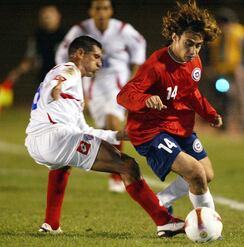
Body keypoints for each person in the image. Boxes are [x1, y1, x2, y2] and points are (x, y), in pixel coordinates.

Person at [25, 36, 184, 237]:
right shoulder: (69, 70)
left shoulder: (73, 91)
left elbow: (83, 130)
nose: (100, 63)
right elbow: (61, 78)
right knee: (127, 166)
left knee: (63, 163)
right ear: (80, 54)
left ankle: (51, 224)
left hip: (37, 142)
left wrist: (119, 135)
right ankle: (165, 221)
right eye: (96, 56)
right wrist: (58, 86)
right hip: (57, 137)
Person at [117, 0, 222, 216]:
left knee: (207, 174)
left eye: (198, 45)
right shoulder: (155, 66)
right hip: (151, 130)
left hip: (177, 125)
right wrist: (145, 99)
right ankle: (209, 226)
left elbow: (190, 92)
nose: (193, 50)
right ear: (175, 37)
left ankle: (161, 201)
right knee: (195, 172)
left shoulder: (194, 62)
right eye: (189, 43)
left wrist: (209, 113)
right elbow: (124, 95)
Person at [56, 0, 146, 193]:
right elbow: (62, 55)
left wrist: (133, 81)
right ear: (91, 11)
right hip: (92, 85)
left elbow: (140, 49)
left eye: (105, 8)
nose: (101, 12)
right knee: (104, 129)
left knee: (113, 123)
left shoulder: (123, 29)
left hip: (118, 85)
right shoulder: (80, 30)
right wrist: (72, 81)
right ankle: (115, 166)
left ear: (111, 10)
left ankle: (117, 174)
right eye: (97, 8)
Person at [0, 5, 66, 112]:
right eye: (44, 16)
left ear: (58, 16)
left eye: (49, 15)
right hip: (43, 79)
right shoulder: (37, 36)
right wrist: (16, 73)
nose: (46, 18)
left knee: (61, 110)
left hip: (63, 79)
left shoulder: (66, 36)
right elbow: (30, 59)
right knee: (46, 111)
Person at [205, 7, 244, 134]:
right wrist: (207, 67)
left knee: (242, 97)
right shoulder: (214, 34)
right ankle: (223, 123)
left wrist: (243, 66)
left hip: (235, 70)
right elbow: (207, 52)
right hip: (220, 71)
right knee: (222, 96)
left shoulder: (240, 33)